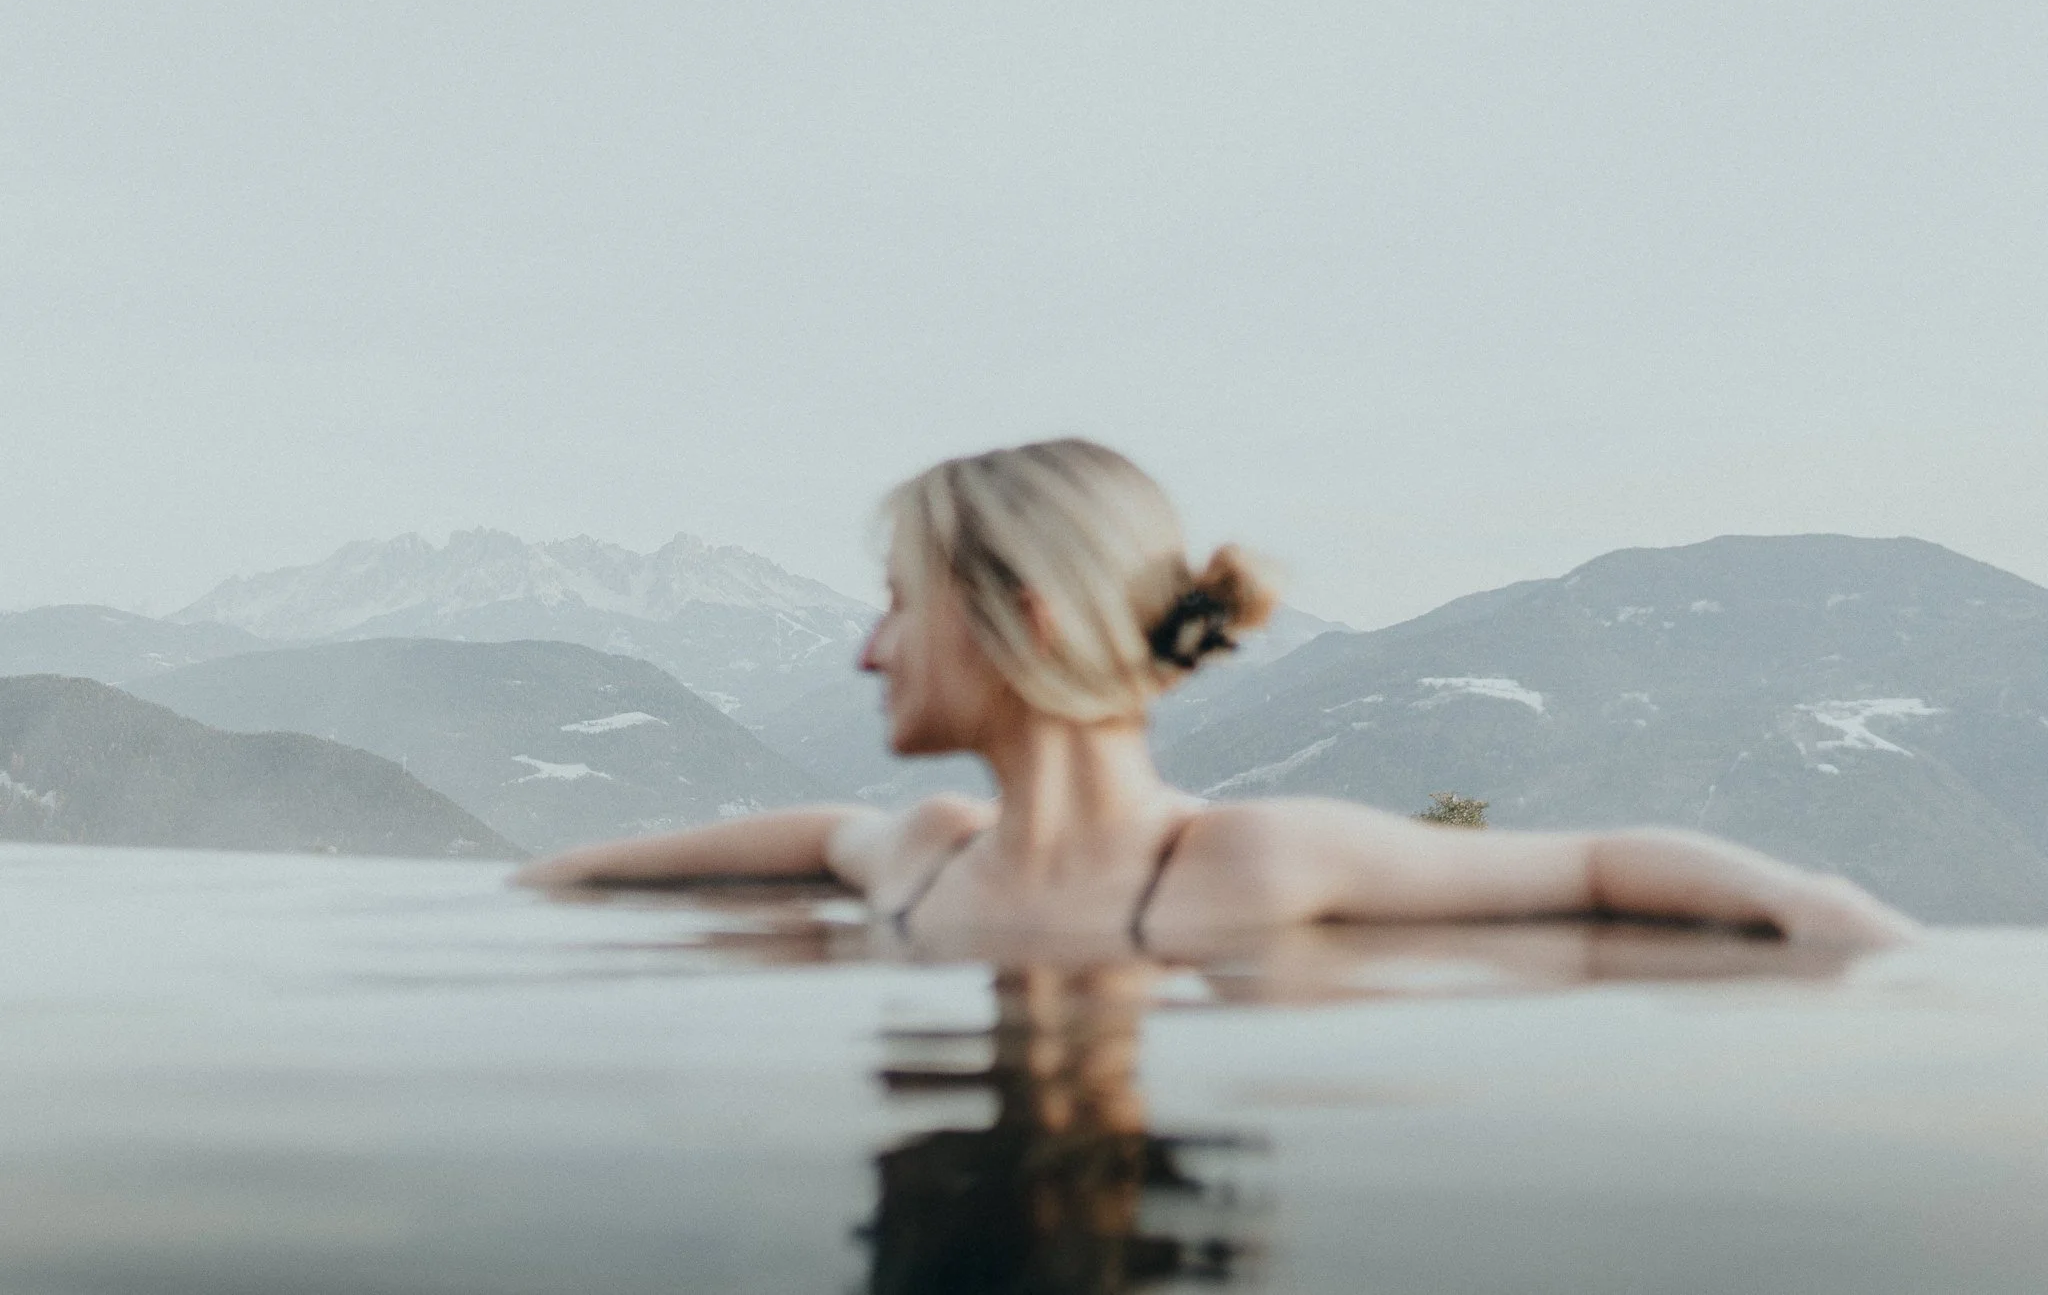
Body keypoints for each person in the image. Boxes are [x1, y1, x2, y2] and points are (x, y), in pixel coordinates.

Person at [515, 438, 1916, 947]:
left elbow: (1602, 864)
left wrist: (1834, 921)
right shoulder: (922, 856)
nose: (866, 649)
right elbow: (796, 837)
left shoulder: (1248, 863)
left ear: (1022, 619)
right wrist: (550, 882)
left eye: (897, 604)